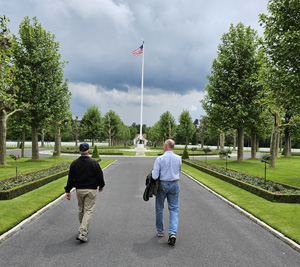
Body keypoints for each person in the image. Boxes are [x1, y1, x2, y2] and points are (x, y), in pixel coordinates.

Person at [65, 143, 105, 243]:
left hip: (79, 189)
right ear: (89, 151)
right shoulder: (94, 163)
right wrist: (101, 185)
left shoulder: (74, 163)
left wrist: (68, 190)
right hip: (91, 189)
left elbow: (70, 178)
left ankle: (83, 227)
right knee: (88, 210)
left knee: (81, 209)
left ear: (79, 151)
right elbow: (100, 176)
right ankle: (82, 232)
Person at [152, 139, 182, 245]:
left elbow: (154, 176)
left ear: (165, 146)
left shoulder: (160, 159)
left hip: (162, 184)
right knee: (174, 209)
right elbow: (179, 171)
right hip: (174, 184)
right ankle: (172, 233)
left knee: (159, 208)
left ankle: (160, 231)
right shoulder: (178, 158)